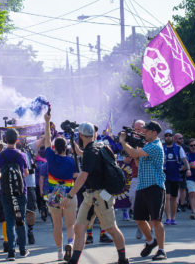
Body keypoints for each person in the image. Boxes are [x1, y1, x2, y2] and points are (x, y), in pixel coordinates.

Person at [62, 122, 129, 264]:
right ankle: (74, 260)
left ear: (81, 135)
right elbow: (87, 156)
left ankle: (123, 260)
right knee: (79, 227)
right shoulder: (100, 146)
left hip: (100, 195)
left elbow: (83, 175)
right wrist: (76, 148)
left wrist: (70, 195)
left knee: (111, 228)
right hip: (92, 196)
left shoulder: (90, 151)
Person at [120, 120, 167, 260]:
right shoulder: (148, 145)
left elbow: (134, 153)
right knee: (139, 219)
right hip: (142, 185)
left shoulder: (155, 146)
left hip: (155, 186)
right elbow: (138, 160)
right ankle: (151, 241)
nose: (143, 133)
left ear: (154, 133)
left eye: (146, 131)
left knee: (156, 220)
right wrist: (134, 146)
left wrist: (123, 142)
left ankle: (161, 250)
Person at [41, 112, 78, 261]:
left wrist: (47, 122)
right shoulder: (71, 161)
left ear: (55, 147)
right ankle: (70, 242)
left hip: (54, 194)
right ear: (66, 148)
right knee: (70, 225)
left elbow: (47, 140)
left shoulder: (50, 157)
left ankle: (58, 252)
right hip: (69, 194)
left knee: (57, 225)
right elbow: (76, 176)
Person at [0, 128, 30, 261]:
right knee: (20, 220)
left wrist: (5, 175)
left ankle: (11, 252)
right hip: (20, 192)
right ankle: (23, 249)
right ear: (17, 140)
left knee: (9, 221)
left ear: (5, 140)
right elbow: (25, 173)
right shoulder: (21, 155)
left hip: (5, 193)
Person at [162, 129, 190, 225]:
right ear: (164, 137)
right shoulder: (161, 147)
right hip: (165, 175)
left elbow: (184, 160)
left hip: (176, 175)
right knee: (167, 196)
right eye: (166, 135)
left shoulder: (178, 148)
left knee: (174, 197)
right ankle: (168, 218)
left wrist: (188, 169)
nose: (168, 137)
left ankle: (173, 218)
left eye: (170, 135)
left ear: (172, 137)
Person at [131, 119, 145, 239]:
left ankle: (143, 227)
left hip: (147, 176)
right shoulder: (130, 141)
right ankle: (140, 222)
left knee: (147, 203)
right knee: (133, 199)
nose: (137, 131)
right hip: (135, 176)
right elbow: (125, 160)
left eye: (140, 128)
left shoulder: (149, 141)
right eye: (135, 128)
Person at [174, 133, 190, 212]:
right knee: (176, 188)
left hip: (183, 171)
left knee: (183, 188)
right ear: (175, 139)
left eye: (182, 138)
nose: (181, 140)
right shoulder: (172, 146)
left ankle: (183, 204)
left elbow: (190, 159)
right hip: (173, 170)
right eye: (179, 138)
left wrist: (187, 167)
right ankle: (176, 205)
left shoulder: (186, 148)